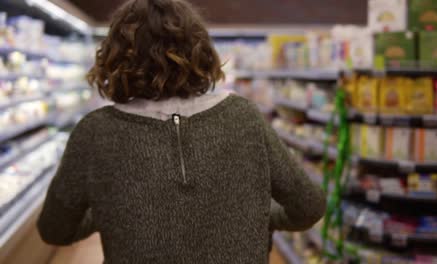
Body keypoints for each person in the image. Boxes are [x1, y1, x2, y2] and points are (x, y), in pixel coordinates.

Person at [37, 0, 326, 263]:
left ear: (114, 58)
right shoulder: (243, 117)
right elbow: (308, 206)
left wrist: (109, 211)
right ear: (199, 52)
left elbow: (54, 230)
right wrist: (262, 217)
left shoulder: (94, 132)